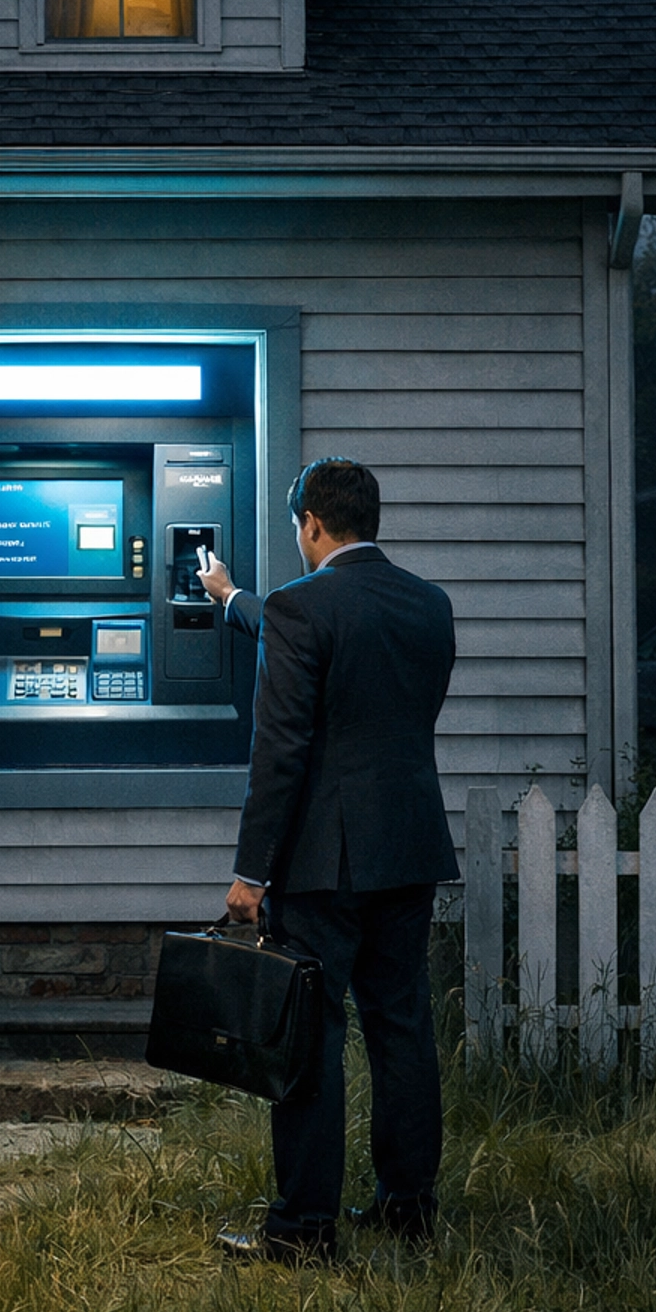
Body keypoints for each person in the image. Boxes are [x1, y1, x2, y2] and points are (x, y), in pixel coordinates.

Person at [196, 458, 457, 1264]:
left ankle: (305, 1230)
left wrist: (250, 873)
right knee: (402, 1029)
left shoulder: (301, 608)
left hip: (323, 865)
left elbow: (279, 752)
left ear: (310, 521)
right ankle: (407, 1208)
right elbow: (357, 673)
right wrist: (231, 598)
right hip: (409, 849)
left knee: (310, 1039)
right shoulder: (428, 604)